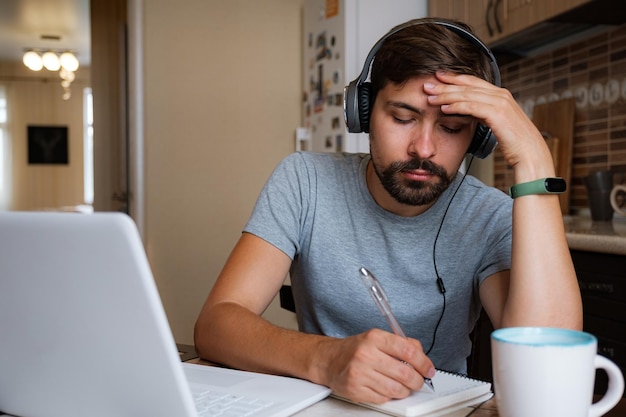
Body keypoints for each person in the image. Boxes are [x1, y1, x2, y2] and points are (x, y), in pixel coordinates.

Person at [194, 17, 582, 404]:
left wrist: (533, 158)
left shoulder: (489, 216)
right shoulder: (304, 181)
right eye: (402, 118)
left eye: (451, 128)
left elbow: (549, 365)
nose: (423, 148)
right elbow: (216, 324)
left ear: (477, 137)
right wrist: (326, 359)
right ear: (362, 113)